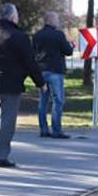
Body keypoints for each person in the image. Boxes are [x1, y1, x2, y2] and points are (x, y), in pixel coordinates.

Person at [0, 3, 46, 168]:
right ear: (12, 17)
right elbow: (30, 63)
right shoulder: (19, 37)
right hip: (10, 83)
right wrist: (41, 83)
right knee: (6, 120)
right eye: (17, 15)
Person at [33, 11, 74, 139]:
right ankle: (56, 130)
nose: (58, 21)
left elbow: (33, 52)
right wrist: (72, 45)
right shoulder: (58, 35)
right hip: (55, 71)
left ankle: (44, 129)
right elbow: (68, 51)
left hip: (41, 71)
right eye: (57, 18)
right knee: (58, 100)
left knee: (43, 101)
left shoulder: (37, 36)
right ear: (50, 20)